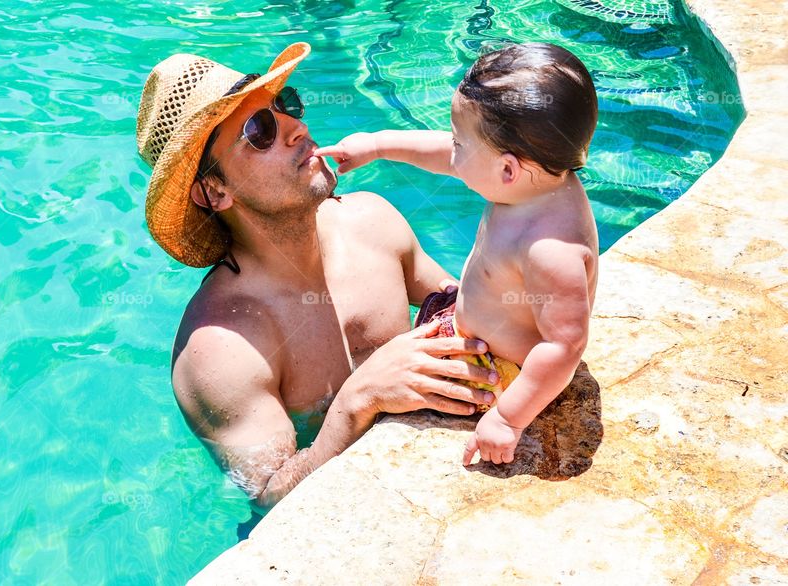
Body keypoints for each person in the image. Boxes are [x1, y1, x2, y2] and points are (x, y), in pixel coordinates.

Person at [135, 42, 500, 512]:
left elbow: (468, 307)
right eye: (259, 130)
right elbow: (270, 499)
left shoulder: (372, 222)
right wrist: (360, 399)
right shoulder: (221, 348)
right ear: (214, 191)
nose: (296, 127)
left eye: (283, 106)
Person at [315, 42, 600, 467]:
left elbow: (564, 345)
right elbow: (441, 155)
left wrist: (507, 417)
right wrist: (376, 144)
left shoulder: (550, 250)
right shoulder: (530, 179)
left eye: (459, 143)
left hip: (499, 373)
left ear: (507, 169)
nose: (452, 152)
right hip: (478, 329)